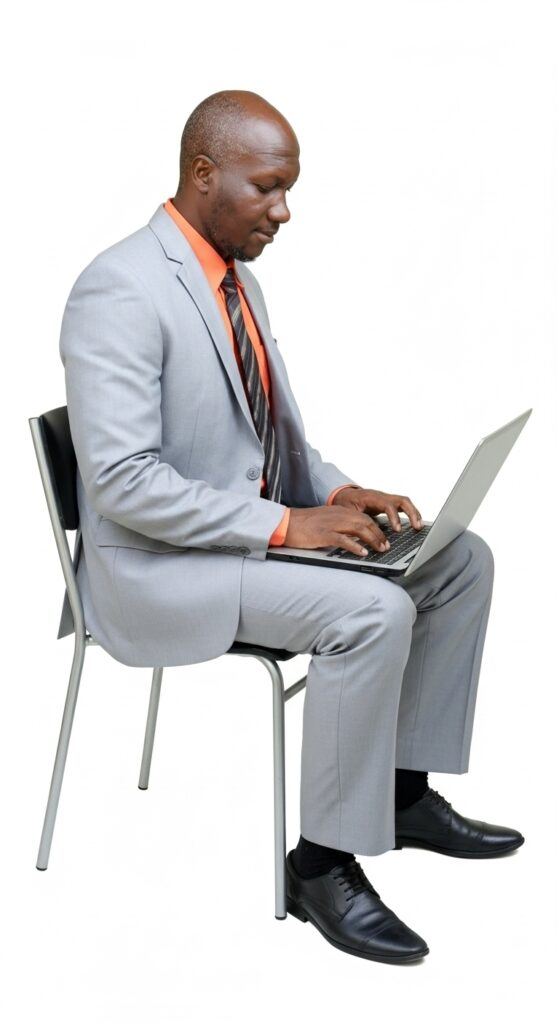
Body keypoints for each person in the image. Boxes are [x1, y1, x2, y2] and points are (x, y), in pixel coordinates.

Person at [59, 89, 524, 965]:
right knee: (370, 614)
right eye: (267, 188)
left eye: (287, 189)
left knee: (460, 561)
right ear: (204, 174)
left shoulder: (238, 281)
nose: (283, 210)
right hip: (156, 569)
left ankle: (397, 790)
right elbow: (120, 482)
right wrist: (286, 528)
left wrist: (341, 496)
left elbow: (275, 436)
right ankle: (319, 867)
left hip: (231, 539)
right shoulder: (117, 289)